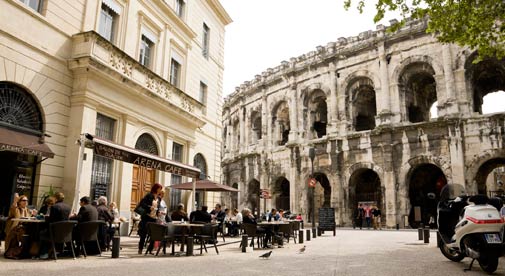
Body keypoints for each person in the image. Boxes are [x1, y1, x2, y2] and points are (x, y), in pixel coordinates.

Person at [137, 183, 163, 254]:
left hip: (154, 218)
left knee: (153, 235)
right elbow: (142, 204)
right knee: (143, 234)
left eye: (161, 189)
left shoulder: (159, 198)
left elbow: (158, 208)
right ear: (155, 188)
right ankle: (140, 249)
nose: (160, 190)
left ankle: (150, 249)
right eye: (159, 188)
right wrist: (149, 207)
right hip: (146, 217)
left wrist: (159, 212)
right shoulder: (149, 195)